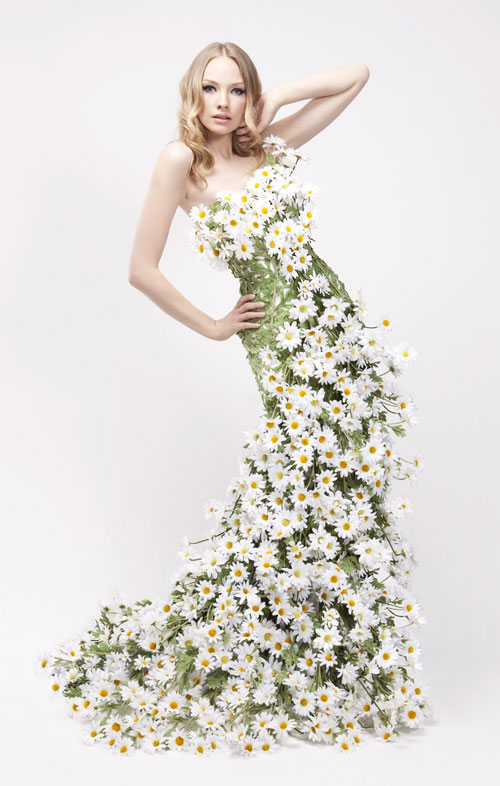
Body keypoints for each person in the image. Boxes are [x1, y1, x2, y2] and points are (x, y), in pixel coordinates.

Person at [37, 41, 432, 757]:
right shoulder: (180, 163)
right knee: (299, 473)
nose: (224, 103)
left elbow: (356, 76)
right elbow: (141, 269)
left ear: (250, 95)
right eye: (211, 88)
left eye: (237, 89)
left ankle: (327, 645)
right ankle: (259, 641)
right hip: (278, 337)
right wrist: (215, 325)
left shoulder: (268, 144)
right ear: (192, 94)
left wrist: (275, 99)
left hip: (333, 321)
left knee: (341, 476)